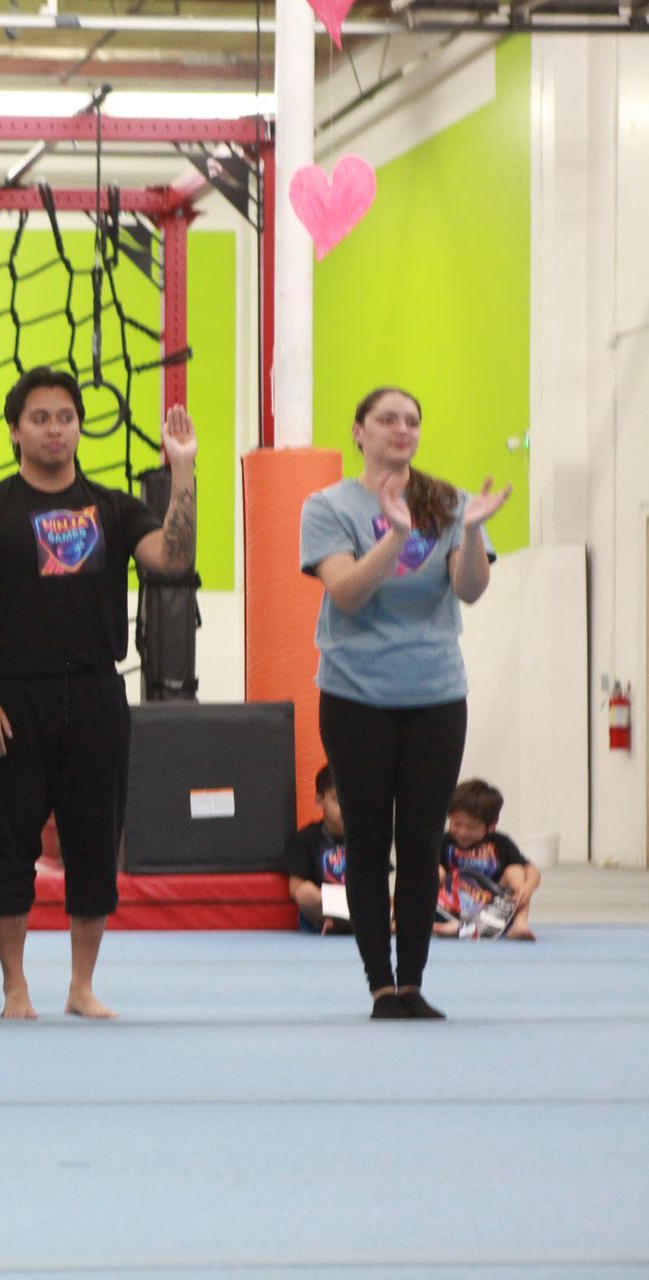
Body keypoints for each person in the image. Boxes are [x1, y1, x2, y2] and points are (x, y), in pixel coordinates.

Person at [0, 366, 197, 1020]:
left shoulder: (112, 506)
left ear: (79, 426)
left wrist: (185, 471)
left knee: (92, 842)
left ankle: (81, 986)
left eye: (65, 417)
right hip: (12, 699)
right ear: (14, 432)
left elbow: (172, 559)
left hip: (93, 696)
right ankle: (16, 986)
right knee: (7, 846)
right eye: (40, 418)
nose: (54, 428)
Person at [301, 385, 509, 1020]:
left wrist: (469, 533)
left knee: (421, 840)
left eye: (412, 421)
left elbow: (468, 590)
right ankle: (379, 985)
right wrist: (393, 536)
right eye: (387, 419)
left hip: (435, 693)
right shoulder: (328, 504)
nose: (402, 429)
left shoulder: (445, 501)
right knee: (368, 840)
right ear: (359, 431)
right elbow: (347, 594)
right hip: (356, 694)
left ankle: (412, 982)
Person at [437, 778, 539, 941]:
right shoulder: (444, 841)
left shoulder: (499, 843)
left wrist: (528, 887)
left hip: (491, 914)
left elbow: (531, 869)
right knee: (431, 869)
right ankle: (450, 925)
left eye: (471, 827)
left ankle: (519, 924)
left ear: (491, 825)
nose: (462, 832)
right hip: (448, 910)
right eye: (456, 824)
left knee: (516, 871)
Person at [281, 765, 352, 935]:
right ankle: (342, 924)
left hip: (358, 902)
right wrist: (334, 901)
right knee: (306, 893)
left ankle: (351, 925)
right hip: (327, 907)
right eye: (337, 799)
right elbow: (296, 888)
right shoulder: (306, 837)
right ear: (319, 800)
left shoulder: (368, 836)